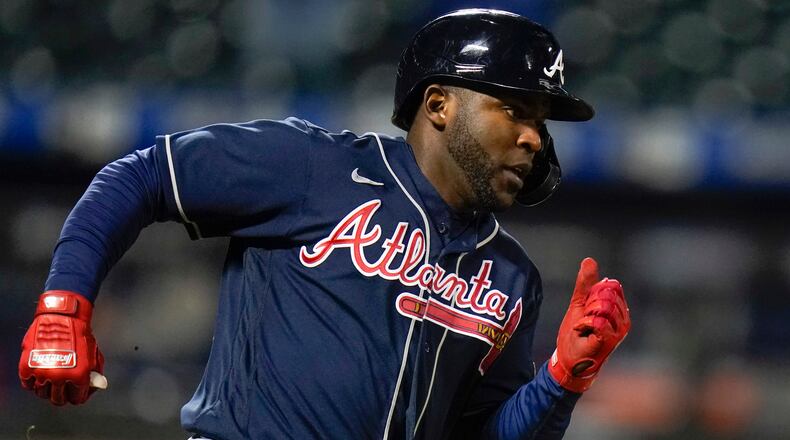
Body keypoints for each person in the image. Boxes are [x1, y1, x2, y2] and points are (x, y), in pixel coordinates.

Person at [18, 9, 630, 440]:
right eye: (515, 109)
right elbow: (140, 177)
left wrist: (560, 379)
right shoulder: (314, 166)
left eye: (541, 120)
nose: (533, 136)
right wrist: (64, 306)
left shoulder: (512, 276)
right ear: (439, 104)